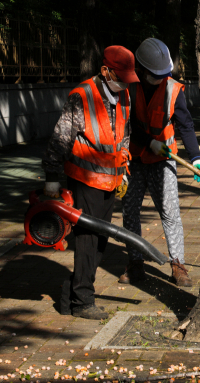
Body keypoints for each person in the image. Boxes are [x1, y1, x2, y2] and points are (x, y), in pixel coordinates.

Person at [42, 46, 139, 320]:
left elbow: (124, 135)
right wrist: (51, 178)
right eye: (121, 76)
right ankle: (83, 300)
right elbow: (61, 137)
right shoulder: (81, 95)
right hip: (85, 180)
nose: (125, 83)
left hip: (111, 180)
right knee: (87, 241)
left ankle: (69, 296)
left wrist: (124, 170)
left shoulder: (124, 95)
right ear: (105, 71)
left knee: (101, 241)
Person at [118, 38, 200, 287]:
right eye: (156, 75)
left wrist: (197, 158)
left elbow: (186, 125)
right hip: (134, 158)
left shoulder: (173, 89)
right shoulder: (130, 88)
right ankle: (135, 265)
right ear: (143, 71)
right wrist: (148, 141)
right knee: (130, 212)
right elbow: (128, 124)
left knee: (170, 213)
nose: (162, 78)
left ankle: (178, 265)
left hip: (163, 161)